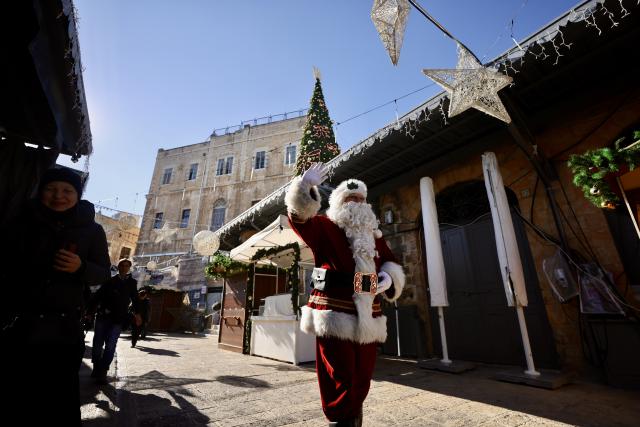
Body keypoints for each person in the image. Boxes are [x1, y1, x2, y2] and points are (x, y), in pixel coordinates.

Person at [284, 163, 405, 426]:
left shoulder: (375, 235)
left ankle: (353, 418)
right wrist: (304, 187)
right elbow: (299, 218)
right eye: (351, 198)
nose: (357, 203)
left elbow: (390, 262)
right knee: (341, 378)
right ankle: (340, 420)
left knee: (362, 378)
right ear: (338, 201)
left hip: (369, 317)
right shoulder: (324, 227)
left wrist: (388, 277)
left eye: (361, 199)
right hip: (335, 314)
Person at [0, 167, 111, 426]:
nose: (58, 195)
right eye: (51, 189)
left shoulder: (92, 230)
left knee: (60, 396)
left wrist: (81, 267)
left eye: (66, 190)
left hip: (64, 328)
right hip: (20, 324)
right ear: (41, 192)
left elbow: (103, 273)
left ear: (77, 194)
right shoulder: (22, 221)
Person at [87, 258, 138, 383]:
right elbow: (97, 296)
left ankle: (103, 370)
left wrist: (138, 314)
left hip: (118, 319)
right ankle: (96, 367)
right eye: (122, 265)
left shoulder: (132, 283)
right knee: (98, 344)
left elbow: (135, 299)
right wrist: (89, 312)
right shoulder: (109, 281)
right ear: (119, 267)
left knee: (110, 346)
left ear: (129, 268)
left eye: (127, 266)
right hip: (103, 316)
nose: (125, 268)